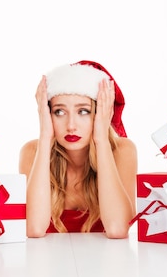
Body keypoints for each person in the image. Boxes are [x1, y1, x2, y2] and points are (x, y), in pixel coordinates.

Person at [19, 60, 137, 239]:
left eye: (83, 111)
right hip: (46, 265)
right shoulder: (32, 151)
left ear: (100, 113)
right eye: (59, 112)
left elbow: (118, 229)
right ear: (48, 114)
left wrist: (101, 140)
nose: (71, 126)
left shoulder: (122, 150)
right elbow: (33, 229)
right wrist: (44, 138)